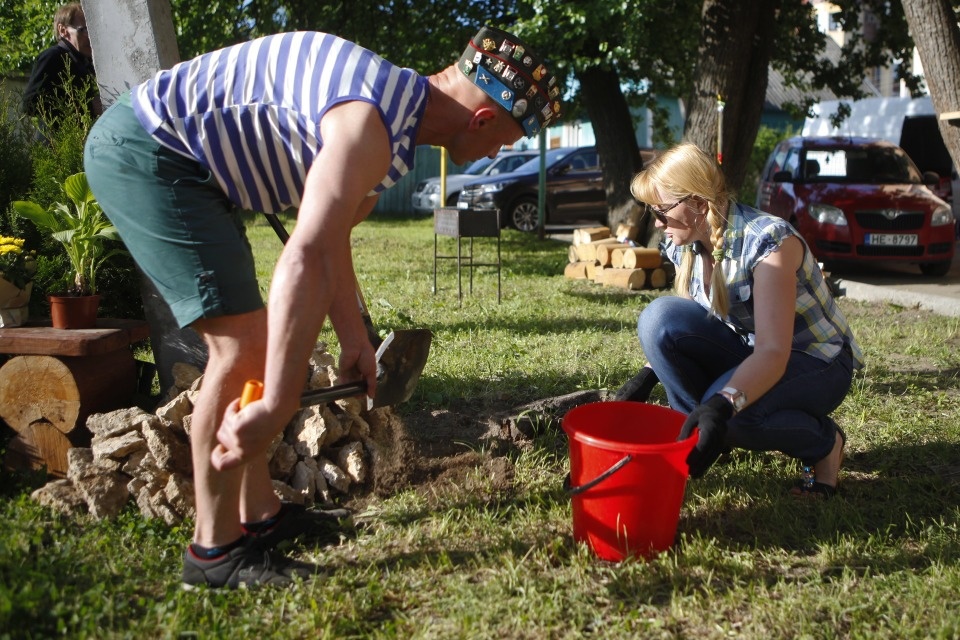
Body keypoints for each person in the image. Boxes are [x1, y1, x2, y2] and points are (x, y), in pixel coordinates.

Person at [84, 27, 562, 589]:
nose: (499, 151)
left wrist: (354, 336)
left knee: (255, 343)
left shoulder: (391, 123)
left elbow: (329, 236)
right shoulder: (369, 122)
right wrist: (280, 398)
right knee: (240, 350)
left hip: (194, 173)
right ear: (482, 120)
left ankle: (260, 518)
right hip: (151, 151)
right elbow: (304, 253)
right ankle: (214, 553)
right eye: (506, 140)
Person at [614, 143, 863, 498]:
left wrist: (725, 404)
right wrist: (648, 372)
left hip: (817, 361)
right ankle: (698, 438)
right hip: (755, 352)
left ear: (699, 204)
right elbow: (689, 319)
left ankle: (824, 445)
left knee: (738, 413)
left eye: (663, 211)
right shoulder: (684, 240)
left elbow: (775, 352)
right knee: (659, 318)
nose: (657, 223)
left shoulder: (769, 243)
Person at [22, 2, 102, 124]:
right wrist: (88, 107)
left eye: (92, 29)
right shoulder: (52, 57)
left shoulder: (85, 60)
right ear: (63, 30)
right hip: (57, 141)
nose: (90, 36)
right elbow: (30, 104)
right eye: (83, 29)